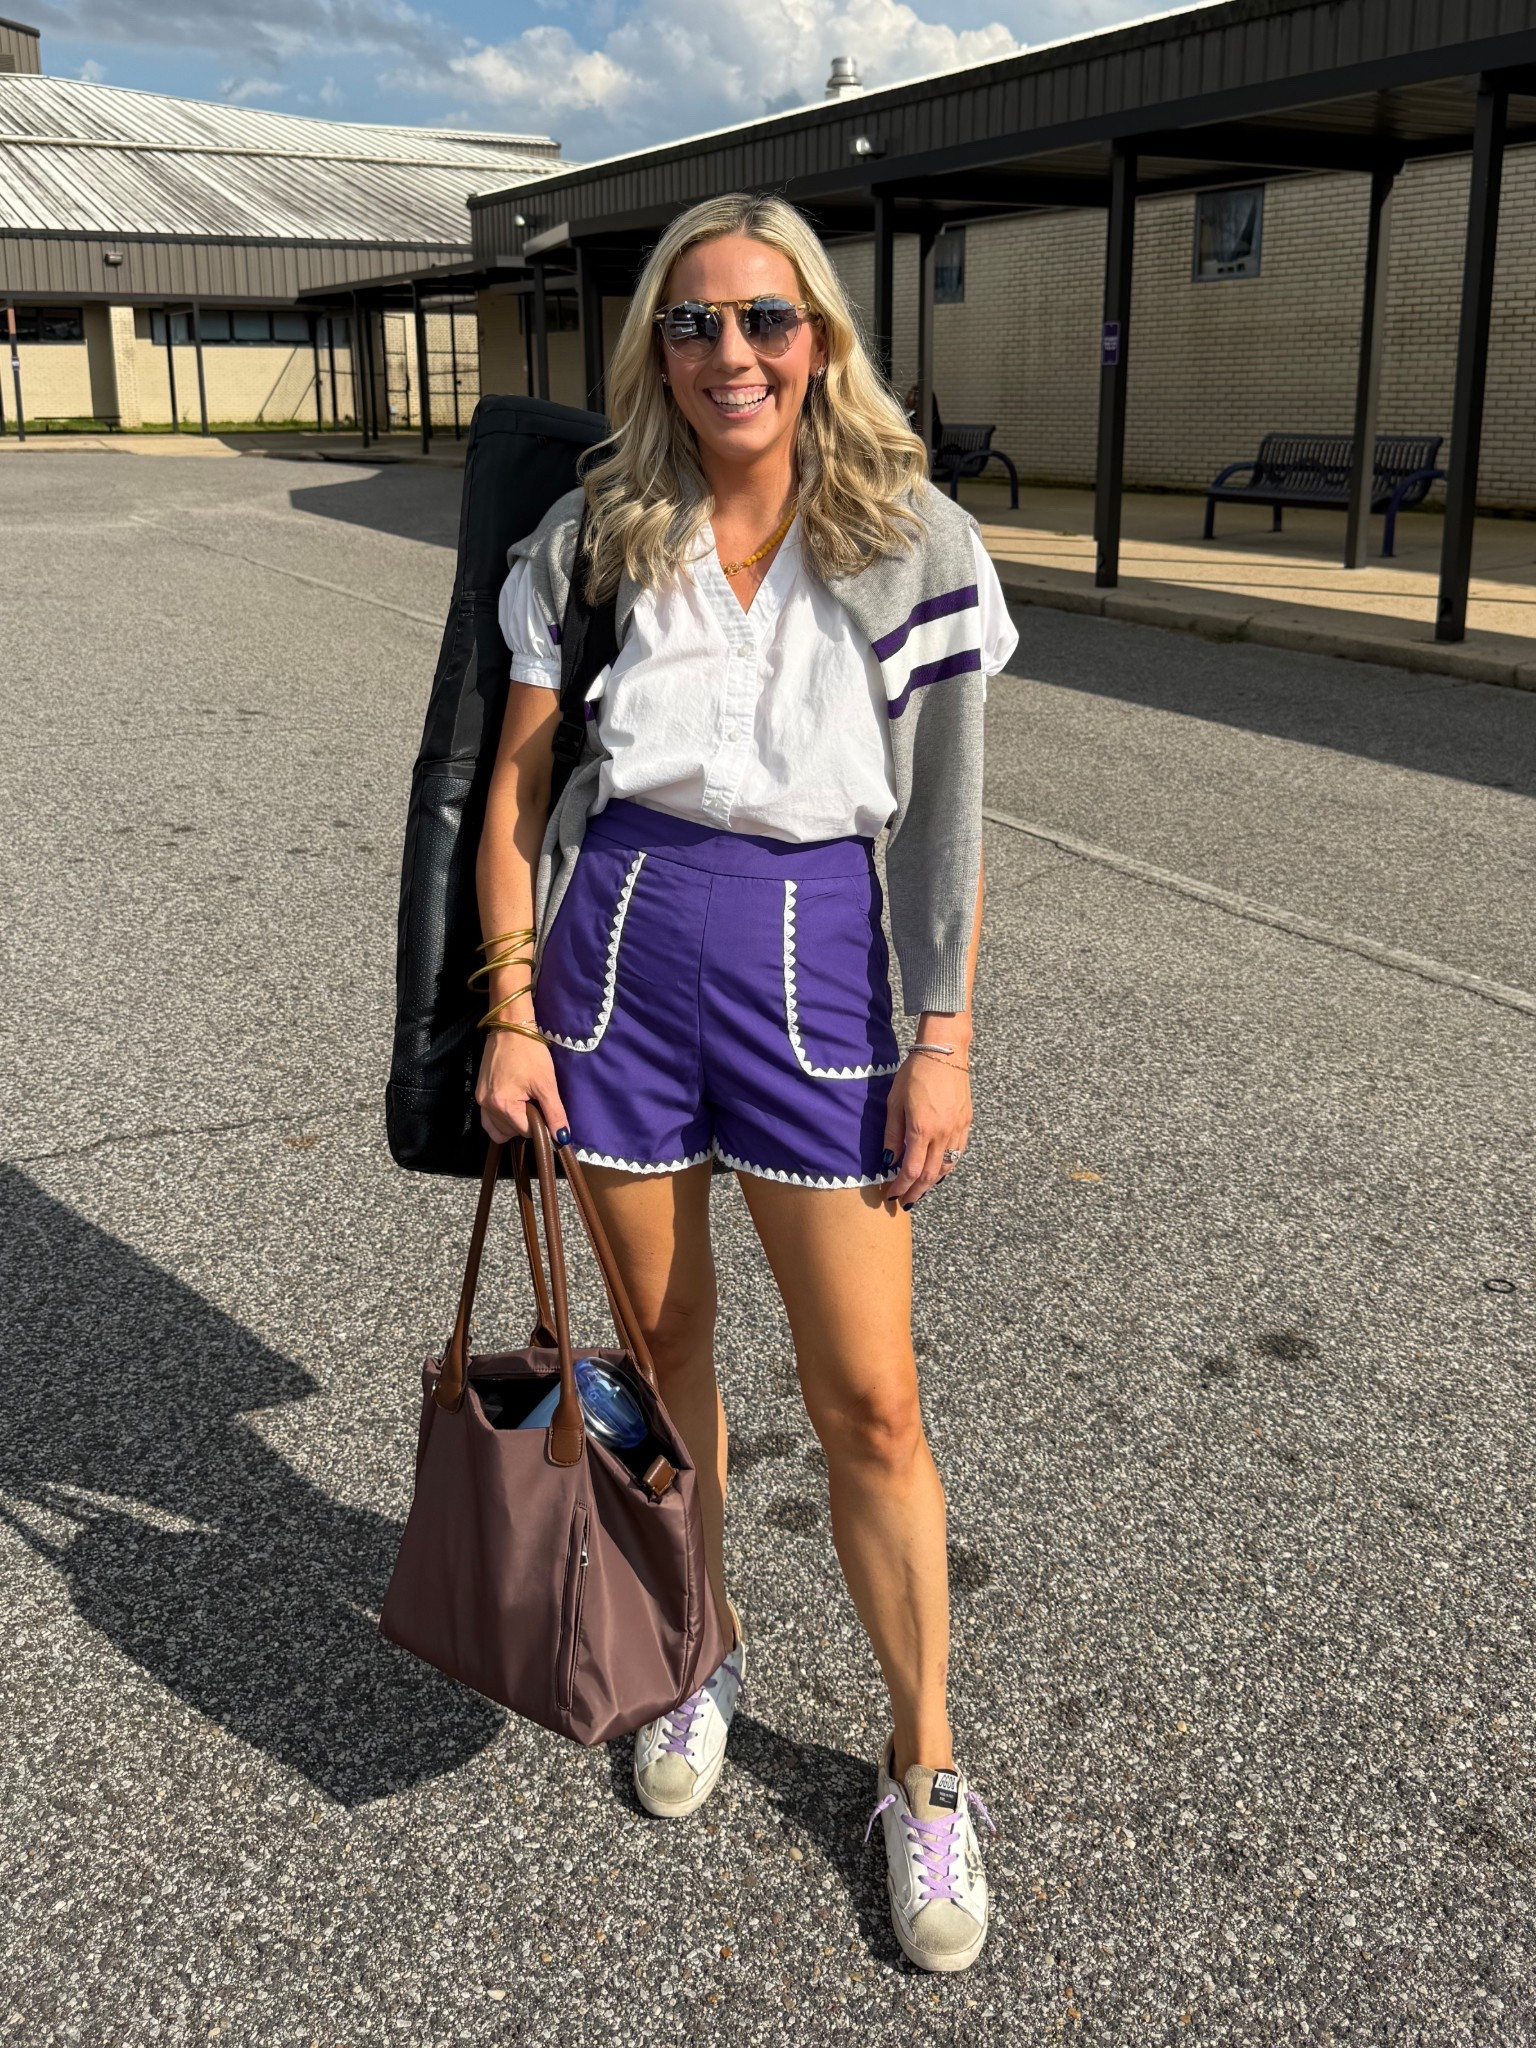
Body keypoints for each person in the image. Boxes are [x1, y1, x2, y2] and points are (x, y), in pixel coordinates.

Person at [475, 192, 1016, 1975]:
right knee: (662, 1370)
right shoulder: (593, 537)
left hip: (824, 967)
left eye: (767, 321)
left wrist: (940, 1038)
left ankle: (924, 1770)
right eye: (696, 324)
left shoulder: (911, 536)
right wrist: (509, 1010)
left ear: (822, 340)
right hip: (618, 954)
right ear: (656, 346)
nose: (733, 355)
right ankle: (692, 1658)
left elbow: (942, 818)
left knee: (871, 1403)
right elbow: (518, 790)